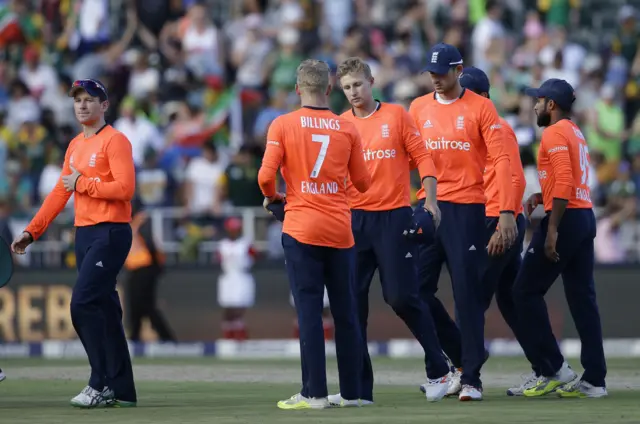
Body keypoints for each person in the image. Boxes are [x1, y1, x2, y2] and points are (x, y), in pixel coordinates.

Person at [329, 56, 451, 405]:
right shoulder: (339, 125)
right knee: (352, 306)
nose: (353, 92)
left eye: (358, 84)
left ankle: (439, 370)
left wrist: (430, 202)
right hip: (354, 222)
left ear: (371, 81)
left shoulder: (397, 116)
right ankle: (358, 390)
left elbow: (424, 159)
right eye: (347, 87)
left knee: (401, 297)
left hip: (394, 218)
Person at [11, 78, 137, 408]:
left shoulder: (116, 141)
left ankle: (100, 382)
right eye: (77, 99)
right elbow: (59, 192)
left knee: (82, 303)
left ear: (104, 105)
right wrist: (32, 232)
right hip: (84, 235)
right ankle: (122, 389)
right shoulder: (75, 146)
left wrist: (84, 182)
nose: (82, 105)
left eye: (90, 99)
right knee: (106, 309)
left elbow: (125, 189)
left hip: (110, 232)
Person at [258, 59, 371, 410]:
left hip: (302, 227)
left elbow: (265, 177)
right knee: (346, 313)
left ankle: (314, 393)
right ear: (329, 89)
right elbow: (364, 182)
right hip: (340, 229)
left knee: (309, 312)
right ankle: (352, 393)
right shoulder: (347, 128)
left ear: (297, 90)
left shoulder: (283, 124)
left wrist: (276, 197)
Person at [408, 43, 517, 401]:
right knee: (414, 291)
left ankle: (471, 378)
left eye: (443, 71)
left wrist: (504, 213)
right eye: (432, 72)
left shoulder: (482, 108)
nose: (436, 78)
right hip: (429, 207)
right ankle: (456, 359)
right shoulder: (418, 107)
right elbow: (407, 159)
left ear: (459, 69)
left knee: (467, 295)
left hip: (468, 207)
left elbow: (501, 160)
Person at [513, 78, 607, 398]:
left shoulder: (553, 132)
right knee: (583, 301)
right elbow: (571, 180)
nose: (534, 106)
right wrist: (543, 195)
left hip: (565, 221)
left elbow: (565, 180)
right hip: (583, 215)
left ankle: (553, 369)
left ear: (551, 105)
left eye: (538, 101)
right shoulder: (575, 132)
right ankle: (595, 381)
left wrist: (551, 230)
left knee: (523, 291)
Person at [124, 198, 175, 343]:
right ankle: (136, 336)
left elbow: (150, 244)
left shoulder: (142, 221)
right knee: (138, 306)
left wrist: (156, 267)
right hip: (135, 268)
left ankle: (166, 338)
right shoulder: (132, 223)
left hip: (145, 268)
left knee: (144, 305)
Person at [216, 216, 257, 340]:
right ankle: (228, 334)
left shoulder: (245, 243)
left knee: (240, 306)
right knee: (227, 307)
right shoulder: (222, 245)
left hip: (242, 275)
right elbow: (218, 259)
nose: (234, 231)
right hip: (228, 277)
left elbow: (255, 257)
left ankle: (240, 334)